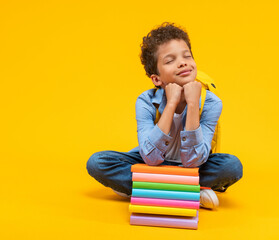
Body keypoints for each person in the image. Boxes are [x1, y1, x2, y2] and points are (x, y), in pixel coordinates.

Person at [86, 22, 243, 209]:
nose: (183, 62)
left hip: (193, 166)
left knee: (232, 166)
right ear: (157, 79)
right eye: (170, 61)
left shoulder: (211, 102)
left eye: (187, 56)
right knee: (98, 162)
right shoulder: (145, 101)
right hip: (151, 165)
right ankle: (193, 190)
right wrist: (170, 104)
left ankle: (142, 188)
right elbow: (151, 158)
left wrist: (193, 105)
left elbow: (194, 160)